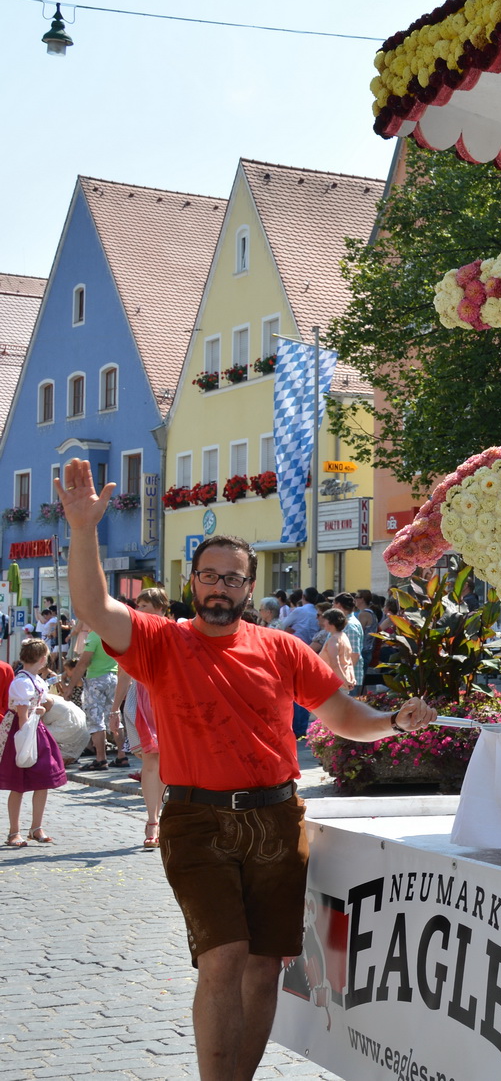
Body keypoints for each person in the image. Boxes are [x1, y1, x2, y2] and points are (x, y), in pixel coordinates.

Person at [55, 458, 437, 1081]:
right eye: (209, 576)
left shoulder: (282, 648)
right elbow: (94, 608)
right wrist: (81, 529)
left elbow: (341, 713)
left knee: (265, 965)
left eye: (232, 580)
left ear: (249, 589)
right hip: (195, 820)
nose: (219, 589)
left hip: (277, 819)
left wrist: (395, 722)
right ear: (192, 582)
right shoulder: (161, 642)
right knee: (224, 957)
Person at [115, 587, 170, 847]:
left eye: (145, 605)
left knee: (168, 762)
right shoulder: (133, 635)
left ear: (161, 608)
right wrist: (115, 707)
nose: (140, 610)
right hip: (143, 700)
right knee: (151, 760)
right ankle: (153, 820)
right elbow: (124, 673)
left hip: (169, 698)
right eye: (139, 605)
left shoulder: (174, 632)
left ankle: (163, 818)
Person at [2, 638, 64, 846]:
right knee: (18, 783)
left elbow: (40, 705)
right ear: (43, 658)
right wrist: (25, 738)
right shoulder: (22, 682)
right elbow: (22, 715)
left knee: (43, 779)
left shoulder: (35, 679)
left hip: (35, 730)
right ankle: (14, 832)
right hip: (23, 732)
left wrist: (41, 710)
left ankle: (36, 827)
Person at [66, 617, 123, 770]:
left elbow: (83, 662)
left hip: (96, 679)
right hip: (113, 677)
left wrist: (70, 687)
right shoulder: (113, 636)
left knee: (95, 719)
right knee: (114, 716)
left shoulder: (94, 636)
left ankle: (101, 758)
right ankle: (121, 756)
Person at [317, 609, 358, 696]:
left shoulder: (334, 639)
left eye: (325, 620)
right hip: (342, 680)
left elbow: (335, 664)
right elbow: (349, 661)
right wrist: (351, 678)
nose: (323, 623)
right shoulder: (344, 636)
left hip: (334, 683)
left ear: (332, 622)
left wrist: (344, 681)